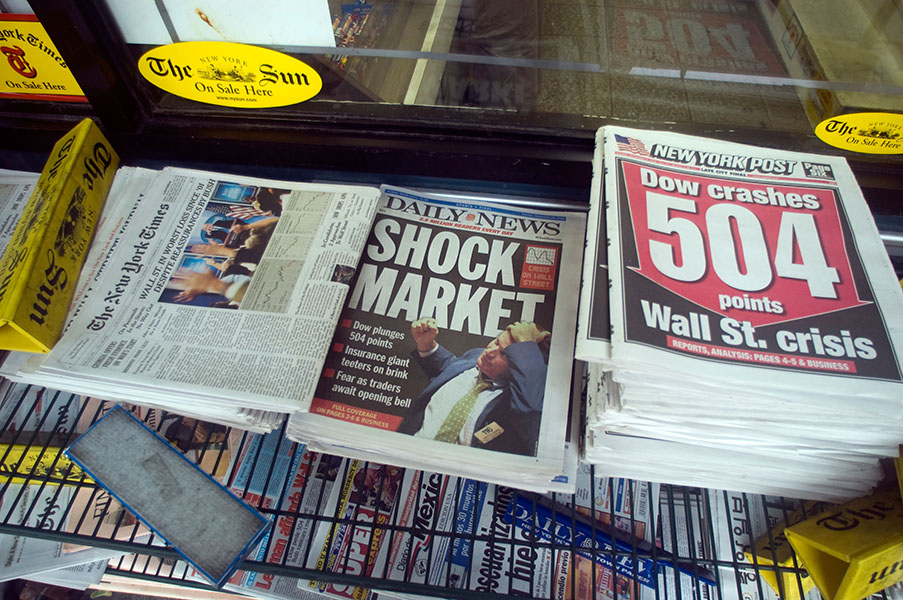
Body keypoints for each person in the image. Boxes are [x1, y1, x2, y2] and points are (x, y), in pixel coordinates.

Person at [397, 318, 550, 456]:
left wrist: (525, 346)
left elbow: (530, 411)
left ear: (520, 365)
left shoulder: (515, 403)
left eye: (505, 354)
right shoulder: (476, 356)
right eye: (496, 342)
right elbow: (451, 367)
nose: (489, 352)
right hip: (407, 449)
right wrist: (427, 346)